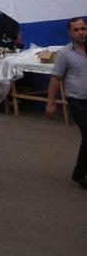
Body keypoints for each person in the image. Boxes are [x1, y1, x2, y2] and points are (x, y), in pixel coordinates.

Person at [47, 16, 87, 190]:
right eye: (76, 29)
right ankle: (79, 174)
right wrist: (51, 102)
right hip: (77, 101)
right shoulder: (65, 53)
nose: (80, 32)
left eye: (83, 28)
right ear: (69, 32)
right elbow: (56, 77)